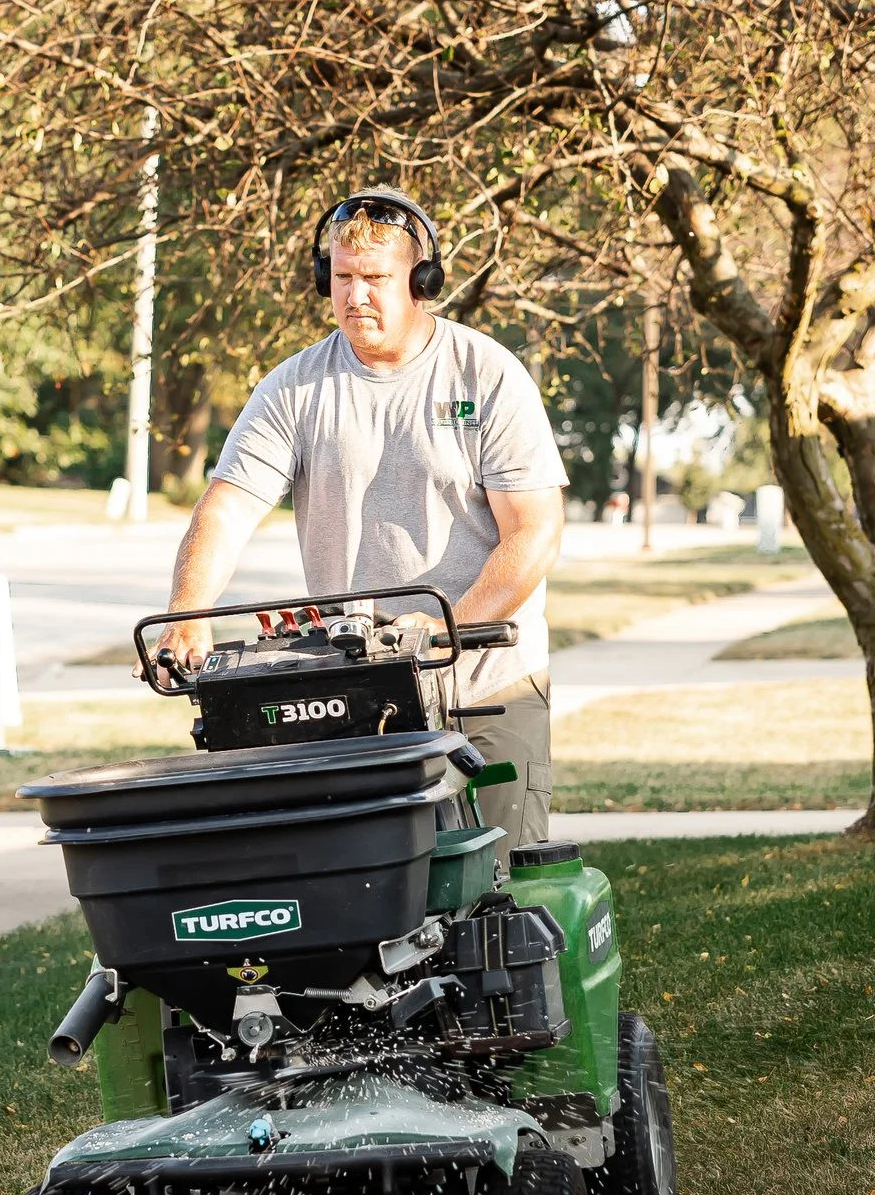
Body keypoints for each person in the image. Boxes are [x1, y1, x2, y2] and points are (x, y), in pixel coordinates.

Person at [155, 188, 567, 848]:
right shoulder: (294, 388)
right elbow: (227, 509)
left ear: (421, 281)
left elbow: (534, 532)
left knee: (501, 886)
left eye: (375, 279)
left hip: (489, 680)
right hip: (357, 685)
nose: (356, 296)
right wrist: (189, 612)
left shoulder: (486, 377)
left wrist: (444, 627)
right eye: (342, 278)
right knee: (362, 886)